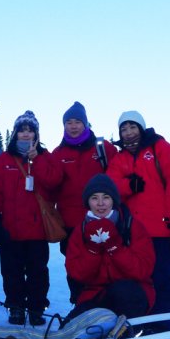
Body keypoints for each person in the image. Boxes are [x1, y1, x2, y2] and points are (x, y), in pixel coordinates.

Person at [107, 110, 170, 332]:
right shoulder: (120, 158)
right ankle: (145, 319)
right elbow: (112, 187)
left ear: (141, 128)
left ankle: (166, 323)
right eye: (124, 128)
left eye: (132, 127)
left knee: (164, 276)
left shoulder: (160, 148)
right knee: (139, 276)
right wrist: (128, 186)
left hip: (161, 228)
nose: (128, 132)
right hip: (133, 230)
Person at [0, 111, 62, 325]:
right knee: (12, 272)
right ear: (16, 134)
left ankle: (37, 307)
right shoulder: (3, 160)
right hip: (10, 228)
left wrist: (36, 160)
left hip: (37, 230)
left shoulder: (46, 156)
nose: (26, 134)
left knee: (38, 271)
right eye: (22, 130)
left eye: (30, 130)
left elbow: (53, 182)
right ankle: (16, 307)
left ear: (36, 134)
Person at [63, 174, 155, 327]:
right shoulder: (81, 230)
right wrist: (93, 250)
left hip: (132, 294)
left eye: (106, 197)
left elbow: (143, 270)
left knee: (123, 291)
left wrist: (115, 247)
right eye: (94, 198)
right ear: (88, 202)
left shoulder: (131, 226)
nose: (100, 203)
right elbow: (76, 274)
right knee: (70, 329)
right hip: (96, 294)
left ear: (113, 200)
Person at [51, 102, 117, 303]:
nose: (73, 126)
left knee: (105, 261)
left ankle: (105, 302)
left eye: (77, 121)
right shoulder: (58, 153)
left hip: (100, 219)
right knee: (75, 265)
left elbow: (117, 177)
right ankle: (79, 303)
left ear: (86, 123)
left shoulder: (103, 148)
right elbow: (51, 186)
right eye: (68, 122)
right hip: (70, 223)